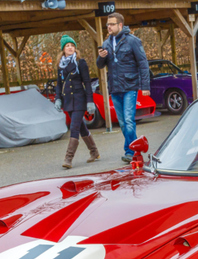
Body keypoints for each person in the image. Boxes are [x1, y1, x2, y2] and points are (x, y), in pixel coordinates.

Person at [96, 12, 151, 163]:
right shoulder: (106, 43)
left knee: (128, 120)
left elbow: (143, 64)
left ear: (120, 25)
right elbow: (100, 65)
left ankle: (131, 151)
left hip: (130, 87)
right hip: (115, 88)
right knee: (121, 122)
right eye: (107, 24)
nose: (109, 27)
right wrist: (100, 57)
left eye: (112, 24)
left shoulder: (133, 41)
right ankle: (135, 148)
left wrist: (145, 86)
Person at [55, 35, 99, 169]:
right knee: (81, 127)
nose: (70, 48)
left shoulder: (80, 62)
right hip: (67, 100)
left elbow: (87, 82)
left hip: (79, 99)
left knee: (74, 128)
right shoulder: (60, 65)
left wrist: (90, 101)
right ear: (63, 49)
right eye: (67, 46)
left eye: (72, 46)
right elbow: (59, 84)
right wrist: (57, 98)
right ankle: (94, 151)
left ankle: (68, 158)